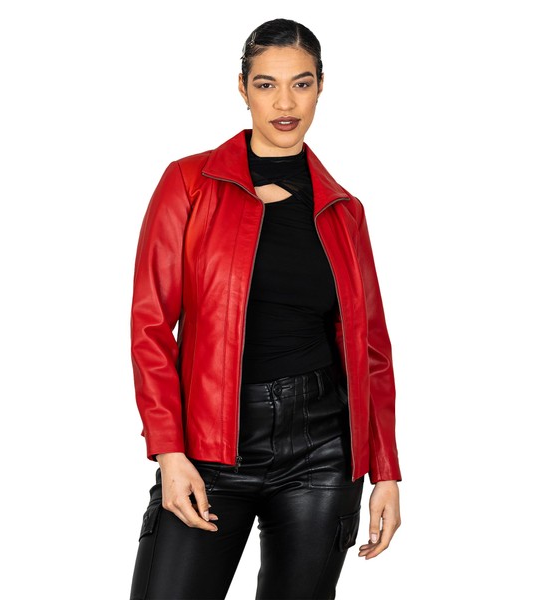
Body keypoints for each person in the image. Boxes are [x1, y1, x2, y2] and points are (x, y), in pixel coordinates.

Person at [128, 18, 402, 600]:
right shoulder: (189, 185)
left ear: (321, 87)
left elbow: (371, 348)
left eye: (301, 84)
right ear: (242, 87)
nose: (284, 103)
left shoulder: (344, 211)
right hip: (209, 445)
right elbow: (150, 325)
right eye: (266, 84)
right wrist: (169, 451)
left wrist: (386, 472)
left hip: (322, 450)